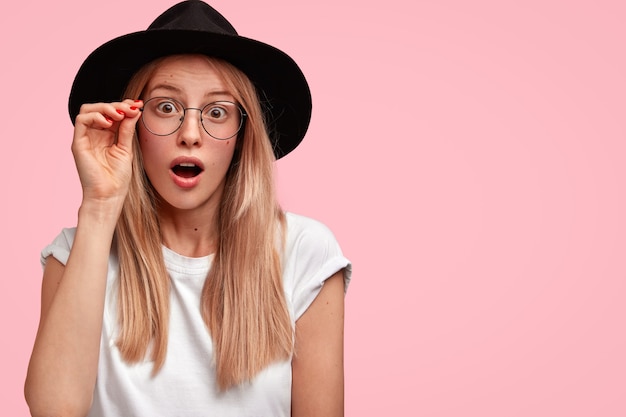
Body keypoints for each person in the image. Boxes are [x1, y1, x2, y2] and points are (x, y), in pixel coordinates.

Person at [24, 1, 351, 416]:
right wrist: (99, 205)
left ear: (242, 136)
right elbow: (53, 410)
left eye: (217, 112)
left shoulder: (304, 253)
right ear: (131, 125)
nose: (191, 134)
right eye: (165, 107)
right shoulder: (74, 255)